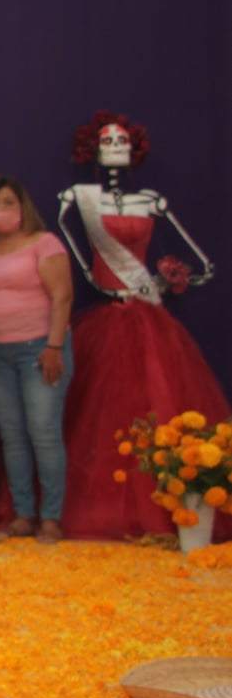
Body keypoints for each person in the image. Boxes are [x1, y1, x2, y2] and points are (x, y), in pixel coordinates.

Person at [54, 112, 227, 540]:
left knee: (159, 407)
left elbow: (204, 265)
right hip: (106, 317)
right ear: (93, 150)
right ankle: (102, 509)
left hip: (149, 317)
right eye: (107, 142)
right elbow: (75, 250)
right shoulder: (79, 197)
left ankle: (174, 507)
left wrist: (173, 278)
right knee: (96, 417)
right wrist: (93, 276)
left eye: (122, 142)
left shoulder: (152, 201)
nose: (115, 149)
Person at [0, 174, 74, 543]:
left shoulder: (44, 243)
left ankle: (51, 518)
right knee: (12, 436)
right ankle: (23, 514)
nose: (1, 210)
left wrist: (53, 346)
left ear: (23, 207)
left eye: (8, 203)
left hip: (39, 349)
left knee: (44, 434)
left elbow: (62, 296)